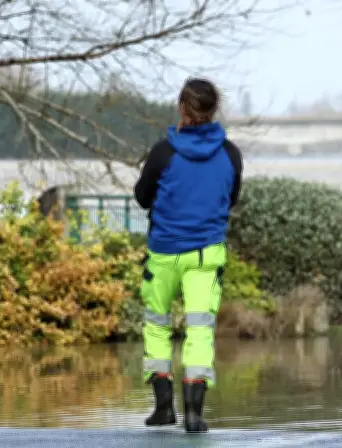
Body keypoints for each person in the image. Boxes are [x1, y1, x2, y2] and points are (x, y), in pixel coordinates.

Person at [133, 78, 243, 433]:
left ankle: (163, 407)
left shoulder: (163, 152)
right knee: (200, 329)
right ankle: (194, 413)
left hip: (164, 252)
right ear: (214, 109)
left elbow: (142, 196)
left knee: (156, 324)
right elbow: (231, 197)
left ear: (182, 107)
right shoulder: (230, 154)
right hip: (205, 256)